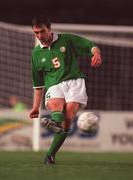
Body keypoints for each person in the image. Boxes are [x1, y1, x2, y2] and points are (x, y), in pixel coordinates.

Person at [29, 15, 102, 165]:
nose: (39, 35)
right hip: (54, 84)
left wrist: (96, 53)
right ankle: (56, 123)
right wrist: (36, 107)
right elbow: (38, 84)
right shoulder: (36, 54)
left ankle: (50, 155)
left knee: (68, 117)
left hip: (75, 82)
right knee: (56, 104)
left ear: (49, 29)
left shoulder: (67, 40)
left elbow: (90, 45)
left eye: (42, 31)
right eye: (36, 32)